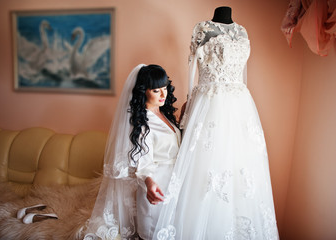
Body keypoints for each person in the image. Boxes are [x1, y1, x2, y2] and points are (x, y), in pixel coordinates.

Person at [153, 7, 280, 240]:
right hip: (209, 104)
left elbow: (243, 75)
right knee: (206, 168)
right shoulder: (202, 29)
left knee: (240, 166)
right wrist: (190, 105)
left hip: (239, 106)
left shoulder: (242, 32)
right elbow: (191, 70)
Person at [79, 64, 181, 240]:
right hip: (156, 189)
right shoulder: (143, 124)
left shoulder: (164, 115)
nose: (163, 95)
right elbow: (144, 162)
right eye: (157, 90)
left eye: (165, 88)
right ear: (144, 91)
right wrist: (149, 184)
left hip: (174, 185)